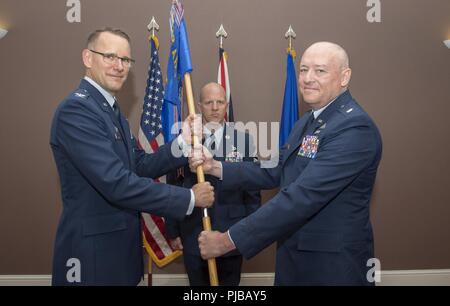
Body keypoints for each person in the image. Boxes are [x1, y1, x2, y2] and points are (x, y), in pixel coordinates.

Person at [193, 42, 383, 285]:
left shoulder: (355, 128)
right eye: (303, 70)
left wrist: (228, 240)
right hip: (294, 256)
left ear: (344, 77)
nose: (308, 78)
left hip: (330, 267)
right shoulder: (307, 122)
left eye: (320, 71)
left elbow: (302, 196)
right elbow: (276, 168)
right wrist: (215, 167)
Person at [49, 28, 214, 286]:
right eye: (110, 57)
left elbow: (139, 164)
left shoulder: (113, 113)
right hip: (92, 259)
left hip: (120, 254)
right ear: (87, 57)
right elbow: (117, 183)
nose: (119, 66)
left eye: (125, 60)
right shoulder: (77, 110)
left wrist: (182, 142)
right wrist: (189, 198)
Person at [165, 83, 261, 286]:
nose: (215, 107)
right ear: (199, 106)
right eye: (209, 102)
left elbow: (252, 190)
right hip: (193, 232)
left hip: (232, 232)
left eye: (220, 102)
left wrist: (252, 230)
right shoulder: (186, 140)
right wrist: (172, 230)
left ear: (227, 105)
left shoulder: (243, 140)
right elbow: (173, 187)